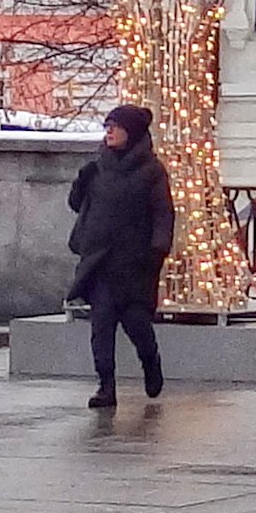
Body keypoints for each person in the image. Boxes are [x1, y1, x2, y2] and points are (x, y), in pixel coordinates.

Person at [66, 101, 175, 408]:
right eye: (107, 127)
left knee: (137, 326)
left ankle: (151, 365)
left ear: (132, 132)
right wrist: (80, 182)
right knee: (101, 327)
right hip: (100, 262)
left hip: (134, 265)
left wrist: (156, 253)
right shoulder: (98, 168)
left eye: (115, 126)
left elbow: (163, 214)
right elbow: (77, 205)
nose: (109, 131)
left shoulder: (151, 171)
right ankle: (106, 387)